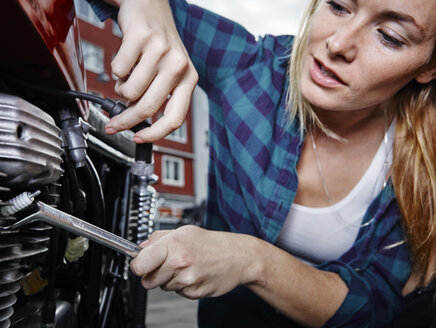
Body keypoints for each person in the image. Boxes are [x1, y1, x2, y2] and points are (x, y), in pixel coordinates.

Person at [87, 0, 436, 326]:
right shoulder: (249, 69)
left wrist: (252, 260)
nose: (338, 44)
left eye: (390, 37)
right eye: (338, 5)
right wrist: (150, 5)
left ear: (429, 67)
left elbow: (377, 302)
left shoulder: (423, 155)